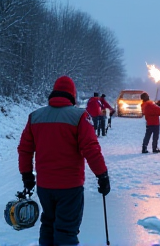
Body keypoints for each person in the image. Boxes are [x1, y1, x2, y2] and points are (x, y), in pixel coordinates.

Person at [17, 76, 110, 246]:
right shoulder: (80, 116)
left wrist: (27, 175)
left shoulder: (35, 117)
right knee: (66, 230)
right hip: (70, 187)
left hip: (45, 187)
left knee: (48, 225)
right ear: (72, 95)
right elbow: (91, 149)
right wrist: (102, 175)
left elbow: (24, 149)